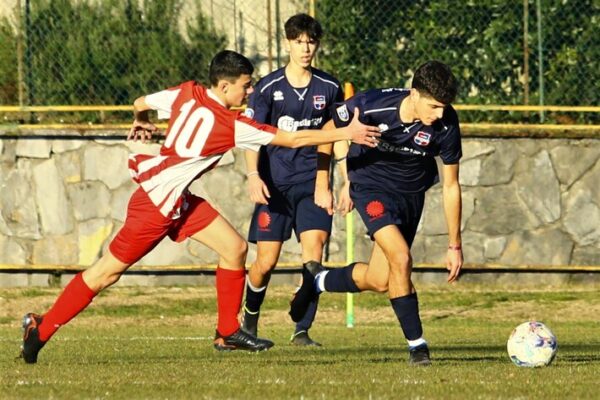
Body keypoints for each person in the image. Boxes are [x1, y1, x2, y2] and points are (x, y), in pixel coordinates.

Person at [20, 50, 380, 364]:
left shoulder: (186, 92)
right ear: (225, 88)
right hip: (156, 205)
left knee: (235, 248)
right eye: (245, 85)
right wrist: (345, 134)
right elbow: (294, 138)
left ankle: (227, 332)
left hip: (178, 200)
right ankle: (42, 327)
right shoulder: (230, 124)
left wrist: (142, 121)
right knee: (105, 274)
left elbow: (140, 102)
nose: (250, 91)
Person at [290, 60, 463, 366]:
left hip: (411, 196)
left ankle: (316, 281)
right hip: (371, 188)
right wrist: (323, 180)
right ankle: (417, 346)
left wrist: (454, 245)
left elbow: (451, 186)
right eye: (433, 107)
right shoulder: (371, 104)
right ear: (414, 94)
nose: (438, 115)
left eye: (443, 108)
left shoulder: (447, 124)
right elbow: (329, 130)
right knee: (401, 257)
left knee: (381, 278)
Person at [241, 14, 344, 346]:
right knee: (265, 263)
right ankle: (249, 320)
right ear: (287, 43)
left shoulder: (329, 87)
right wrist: (254, 176)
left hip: (311, 184)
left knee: (314, 258)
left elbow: (334, 135)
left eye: (311, 41)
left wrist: (333, 180)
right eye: (299, 41)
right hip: (274, 187)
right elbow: (251, 136)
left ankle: (302, 329)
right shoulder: (269, 88)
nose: (305, 48)